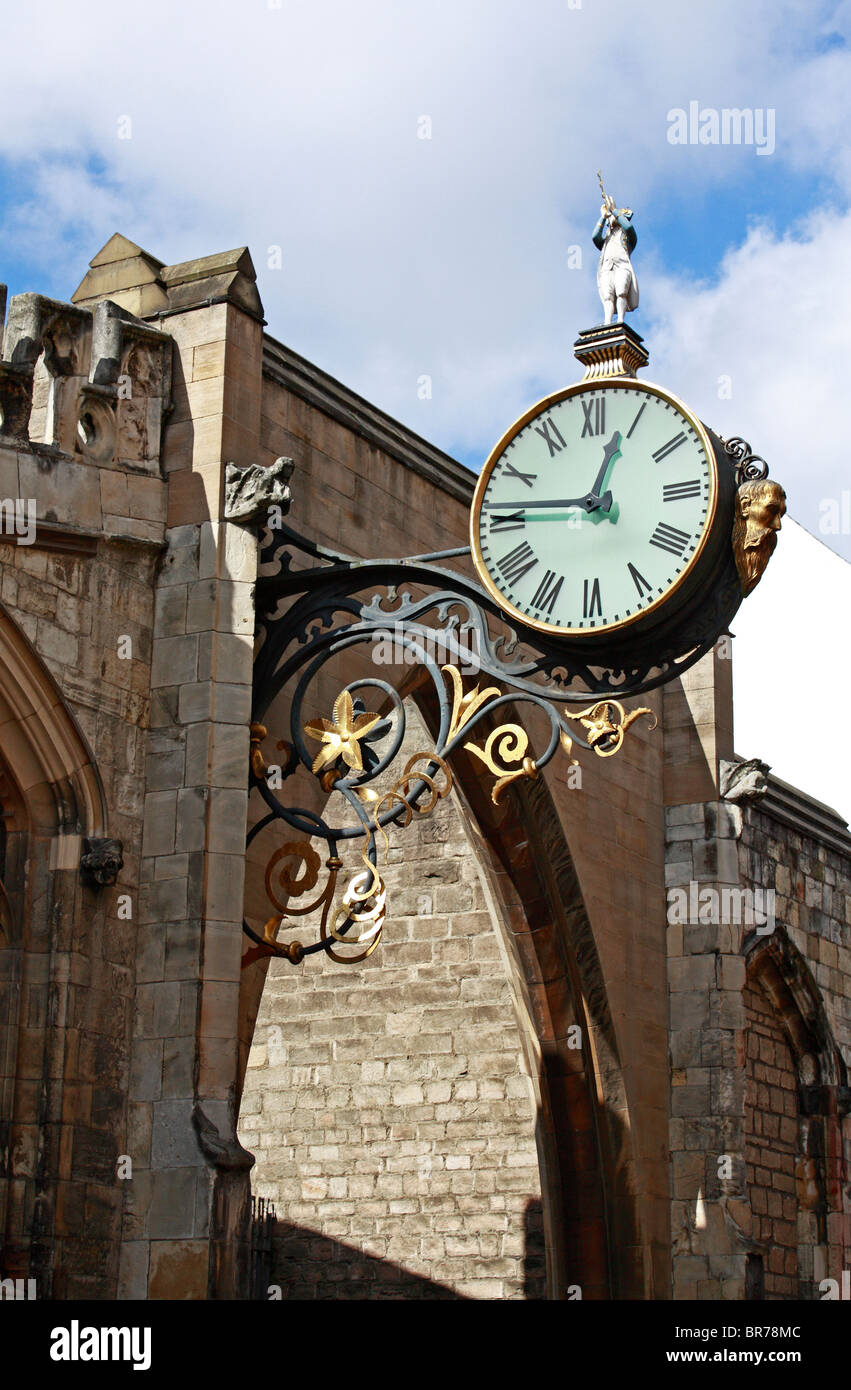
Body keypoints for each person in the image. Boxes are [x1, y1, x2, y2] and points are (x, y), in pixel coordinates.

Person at [592, 203, 639, 325]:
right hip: (607, 268)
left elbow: (628, 227)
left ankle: (620, 321)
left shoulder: (628, 237)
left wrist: (613, 210)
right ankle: (607, 322)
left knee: (621, 292)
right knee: (608, 297)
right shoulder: (606, 239)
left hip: (622, 266)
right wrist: (603, 216)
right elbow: (595, 237)